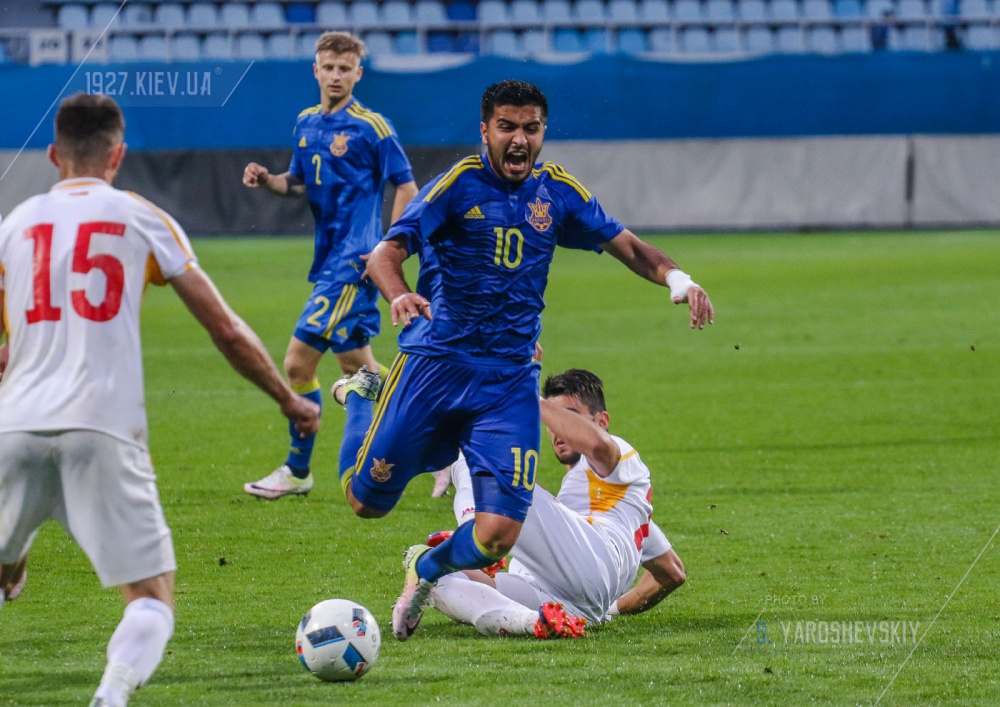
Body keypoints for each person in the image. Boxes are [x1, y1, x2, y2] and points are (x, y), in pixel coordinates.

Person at [334, 79, 713, 642]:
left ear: (542, 131)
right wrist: (399, 294)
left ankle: (428, 568)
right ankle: (361, 398)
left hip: (509, 379)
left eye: (530, 128)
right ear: (485, 130)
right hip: (435, 367)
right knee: (365, 502)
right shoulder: (456, 185)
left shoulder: (556, 192)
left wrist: (677, 278)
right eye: (507, 127)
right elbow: (386, 253)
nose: (519, 139)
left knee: (497, 535)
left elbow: (628, 245)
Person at [0, 93, 320, 707]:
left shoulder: (14, 225)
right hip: (103, 428)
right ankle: (111, 695)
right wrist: (288, 399)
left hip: (14, 427)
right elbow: (226, 330)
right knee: (151, 599)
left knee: (4, 574)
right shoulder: (140, 216)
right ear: (118, 155)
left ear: (53, 155)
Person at [241, 31, 418, 500]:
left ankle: (298, 470)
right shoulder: (306, 123)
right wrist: (268, 179)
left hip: (353, 263)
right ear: (315, 71)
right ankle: (441, 430)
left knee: (297, 363)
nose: (336, 75)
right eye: (329, 67)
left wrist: (388, 248)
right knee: (359, 367)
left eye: (345, 68)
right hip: (329, 262)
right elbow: (297, 183)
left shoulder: (372, 127)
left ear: (358, 73)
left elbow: (407, 188)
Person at [426, 369, 686, 637]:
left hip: (593, 562)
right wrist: (612, 609)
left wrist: (527, 394)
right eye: (552, 418)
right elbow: (672, 572)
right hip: (571, 602)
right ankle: (530, 621)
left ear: (601, 421)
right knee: (430, 572)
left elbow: (598, 447)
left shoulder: (621, 456)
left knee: (479, 457)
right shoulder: (622, 511)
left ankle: (475, 534)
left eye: (568, 415)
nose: (557, 429)